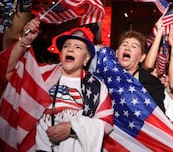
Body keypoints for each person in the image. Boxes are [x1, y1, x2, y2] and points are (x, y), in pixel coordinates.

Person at [0, 18, 114, 151]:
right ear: (61, 54)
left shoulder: (96, 86)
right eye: (66, 46)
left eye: (77, 47)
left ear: (86, 58)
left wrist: (72, 128)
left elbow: (106, 122)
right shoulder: (41, 73)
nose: (70, 49)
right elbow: (7, 70)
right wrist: (24, 42)